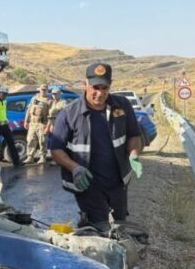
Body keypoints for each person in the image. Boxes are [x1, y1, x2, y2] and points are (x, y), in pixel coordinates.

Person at [48, 63, 144, 233]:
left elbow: (134, 135)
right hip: (88, 184)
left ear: (110, 85)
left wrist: (134, 154)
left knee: (120, 225)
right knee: (98, 227)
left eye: (104, 88)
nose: (100, 93)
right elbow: (56, 149)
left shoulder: (122, 106)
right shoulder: (70, 113)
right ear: (85, 84)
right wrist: (75, 168)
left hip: (118, 183)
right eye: (95, 88)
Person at [0, 86, 21, 166]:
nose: (5, 96)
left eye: (6, 94)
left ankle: (17, 162)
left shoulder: (4, 101)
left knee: (11, 143)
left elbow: (4, 113)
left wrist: (7, 122)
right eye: (4, 94)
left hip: (5, 125)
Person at [24, 85, 51, 164]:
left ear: (47, 91)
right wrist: (26, 121)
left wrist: (48, 126)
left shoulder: (49, 101)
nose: (43, 91)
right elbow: (29, 110)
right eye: (42, 89)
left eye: (45, 90)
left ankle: (42, 157)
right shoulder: (34, 98)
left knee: (42, 141)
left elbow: (51, 115)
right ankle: (30, 157)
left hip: (42, 124)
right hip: (33, 123)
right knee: (30, 140)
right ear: (40, 90)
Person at [45, 87, 69, 165]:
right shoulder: (52, 103)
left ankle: (59, 160)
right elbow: (50, 115)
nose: (54, 95)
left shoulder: (63, 102)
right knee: (53, 144)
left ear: (59, 94)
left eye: (56, 94)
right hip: (52, 124)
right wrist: (49, 126)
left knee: (59, 144)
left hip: (59, 125)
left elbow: (64, 112)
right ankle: (55, 159)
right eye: (53, 94)